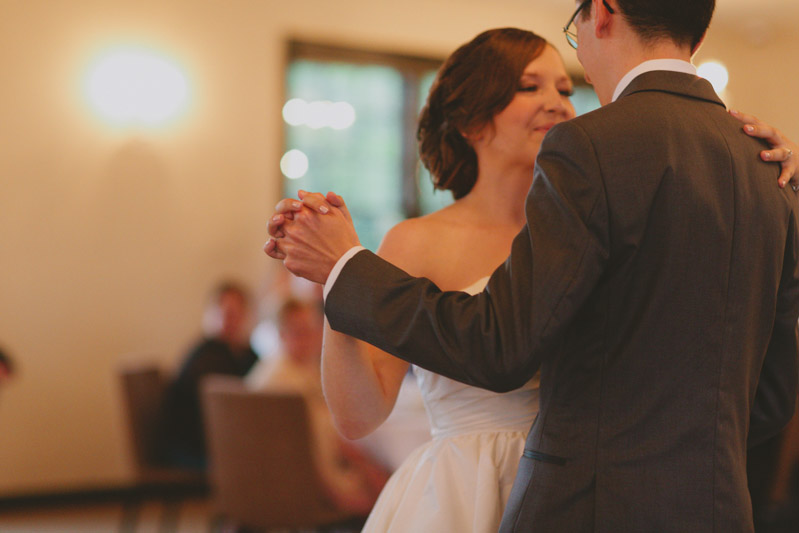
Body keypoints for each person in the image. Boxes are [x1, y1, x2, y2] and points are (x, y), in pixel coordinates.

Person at [265, 0, 799, 530]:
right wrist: (339, 277)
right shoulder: (421, 239)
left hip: (579, 501)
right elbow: (358, 415)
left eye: (566, 89)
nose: (559, 104)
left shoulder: (606, 187)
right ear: (472, 117)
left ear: (604, 14)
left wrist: (347, 269)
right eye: (529, 86)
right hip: (469, 494)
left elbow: (502, 345)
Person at [247, 298, 389, 516]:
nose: (310, 339)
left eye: (311, 330)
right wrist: (365, 467)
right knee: (391, 482)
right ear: (281, 334)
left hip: (269, 483)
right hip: (304, 484)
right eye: (298, 332)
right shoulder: (283, 383)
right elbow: (314, 443)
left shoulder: (292, 369)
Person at [162, 280, 259, 469]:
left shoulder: (244, 353)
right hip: (193, 448)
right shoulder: (205, 359)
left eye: (234, 314)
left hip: (214, 440)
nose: (227, 320)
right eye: (223, 313)